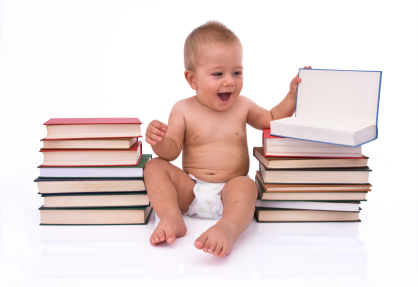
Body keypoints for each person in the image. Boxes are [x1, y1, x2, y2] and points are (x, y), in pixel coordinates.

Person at [144, 20, 310, 258]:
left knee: (247, 186)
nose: (230, 81)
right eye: (218, 73)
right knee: (154, 166)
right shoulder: (182, 109)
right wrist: (158, 141)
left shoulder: (243, 106)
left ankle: (228, 227)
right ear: (192, 80)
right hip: (190, 189)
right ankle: (171, 216)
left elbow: (272, 118)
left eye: (236, 72)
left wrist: (292, 95)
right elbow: (170, 152)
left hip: (229, 191)